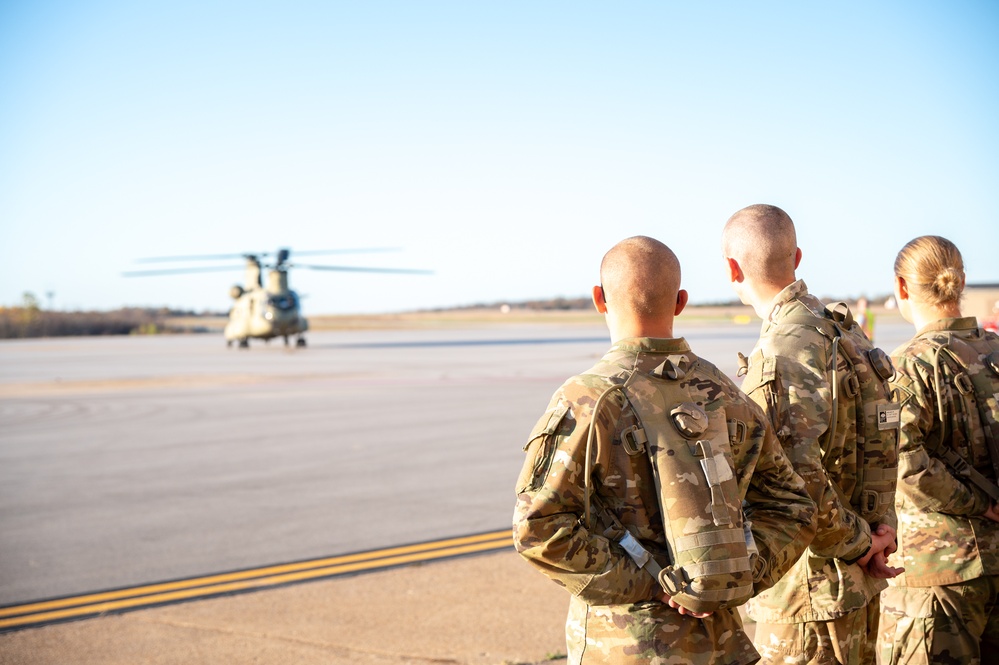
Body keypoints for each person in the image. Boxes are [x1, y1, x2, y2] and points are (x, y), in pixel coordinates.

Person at [513, 236, 817, 664]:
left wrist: (655, 584)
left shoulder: (589, 398)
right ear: (681, 302)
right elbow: (793, 509)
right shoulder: (726, 394)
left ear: (600, 299)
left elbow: (538, 528)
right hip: (720, 644)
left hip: (625, 647)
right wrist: (727, 576)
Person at [721, 204, 902, 665]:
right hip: (853, 578)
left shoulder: (785, 347)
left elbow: (793, 482)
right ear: (796, 256)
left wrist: (863, 543)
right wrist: (877, 535)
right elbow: (882, 446)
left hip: (811, 593)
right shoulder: (842, 330)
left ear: (732, 269)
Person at [878, 235, 999, 664]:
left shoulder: (908, 365)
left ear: (903, 287)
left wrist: (979, 504)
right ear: (960, 281)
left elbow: (904, 465)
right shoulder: (996, 353)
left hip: (941, 574)